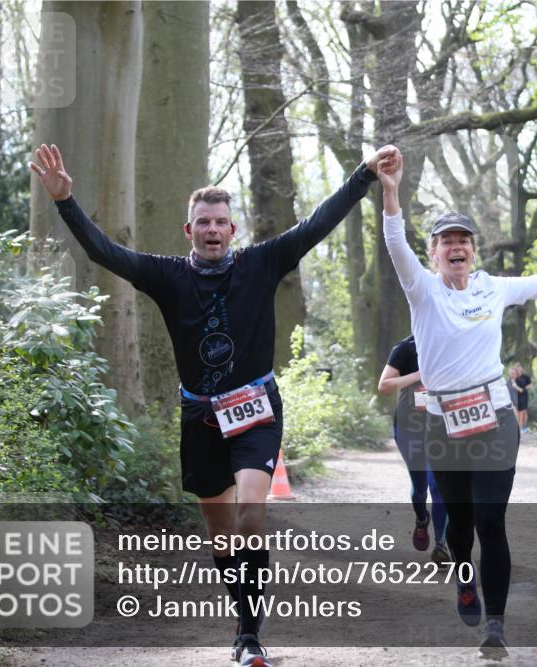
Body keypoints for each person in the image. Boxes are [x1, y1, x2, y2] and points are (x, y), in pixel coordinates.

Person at [29, 143, 398, 667]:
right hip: (199, 416)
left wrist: (363, 174)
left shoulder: (263, 262)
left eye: (221, 222)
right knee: (221, 535)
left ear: (233, 231)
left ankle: (250, 635)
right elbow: (105, 253)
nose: (212, 230)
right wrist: (66, 201)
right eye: (202, 222)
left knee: (251, 508)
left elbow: (317, 223)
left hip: (256, 410)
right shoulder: (166, 276)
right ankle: (242, 616)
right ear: (189, 232)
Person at [378, 148, 537, 660]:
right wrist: (392, 190)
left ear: (474, 249)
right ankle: (465, 582)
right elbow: (395, 240)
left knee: (491, 521)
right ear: (435, 252)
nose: (456, 247)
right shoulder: (421, 291)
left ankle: (496, 624)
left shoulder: (494, 288)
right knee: (460, 530)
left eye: (463, 239)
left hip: (494, 420)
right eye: (447, 241)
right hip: (443, 426)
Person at [378, 335, 450, 564]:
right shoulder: (406, 348)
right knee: (420, 488)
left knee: (437, 485)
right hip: (410, 428)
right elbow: (384, 385)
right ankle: (422, 519)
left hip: (442, 426)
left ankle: (441, 544)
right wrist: (418, 376)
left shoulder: (451, 343)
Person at [510, 363, 532, 432]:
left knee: (524, 411)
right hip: (517, 397)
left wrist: (523, 389)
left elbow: (530, 385)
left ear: (521, 369)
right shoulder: (514, 377)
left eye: (519, 368)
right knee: (520, 412)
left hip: (524, 396)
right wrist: (519, 389)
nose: (518, 369)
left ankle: (523, 426)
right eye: (517, 368)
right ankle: (520, 427)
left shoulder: (525, 377)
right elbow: (512, 385)